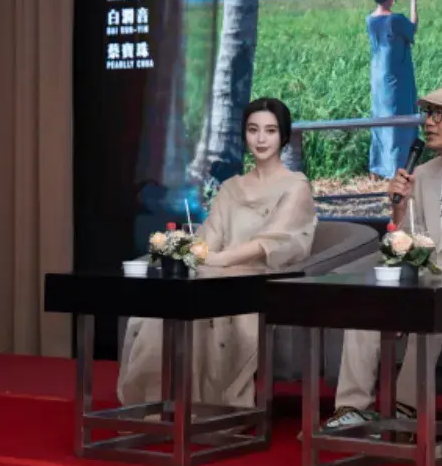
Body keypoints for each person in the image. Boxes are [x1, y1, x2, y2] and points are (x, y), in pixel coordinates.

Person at [323, 85, 442, 430]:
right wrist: (399, 209)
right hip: (424, 284)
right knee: (365, 305)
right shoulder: (423, 174)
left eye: (439, 114)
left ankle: (405, 412)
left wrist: (433, 282)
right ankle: (351, 408)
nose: (429, 122)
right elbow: (407, 244)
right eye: (427, 113)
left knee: (434, 300)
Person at [117, 98, 318, 409]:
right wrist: (187, 250)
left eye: (270, 131)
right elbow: (208, 240)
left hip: (257, 283)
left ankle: (206, 411)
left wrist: (223, 260)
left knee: (207, 305)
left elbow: (274, 242)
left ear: (284, 136)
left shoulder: (296, 187)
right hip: (214, 274)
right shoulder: (231, 187)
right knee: (162, 308)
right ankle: (157, 405)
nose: (261, 139)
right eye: (253, 130)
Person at [367, 0, 422, 180]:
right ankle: (397, 168)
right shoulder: (395, 20)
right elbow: (413, 28)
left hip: (378, 77)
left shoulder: (370, 20)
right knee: (400, 123)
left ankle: (377, 167)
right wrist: (414, 0)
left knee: (380, 120)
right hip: (396, 78)